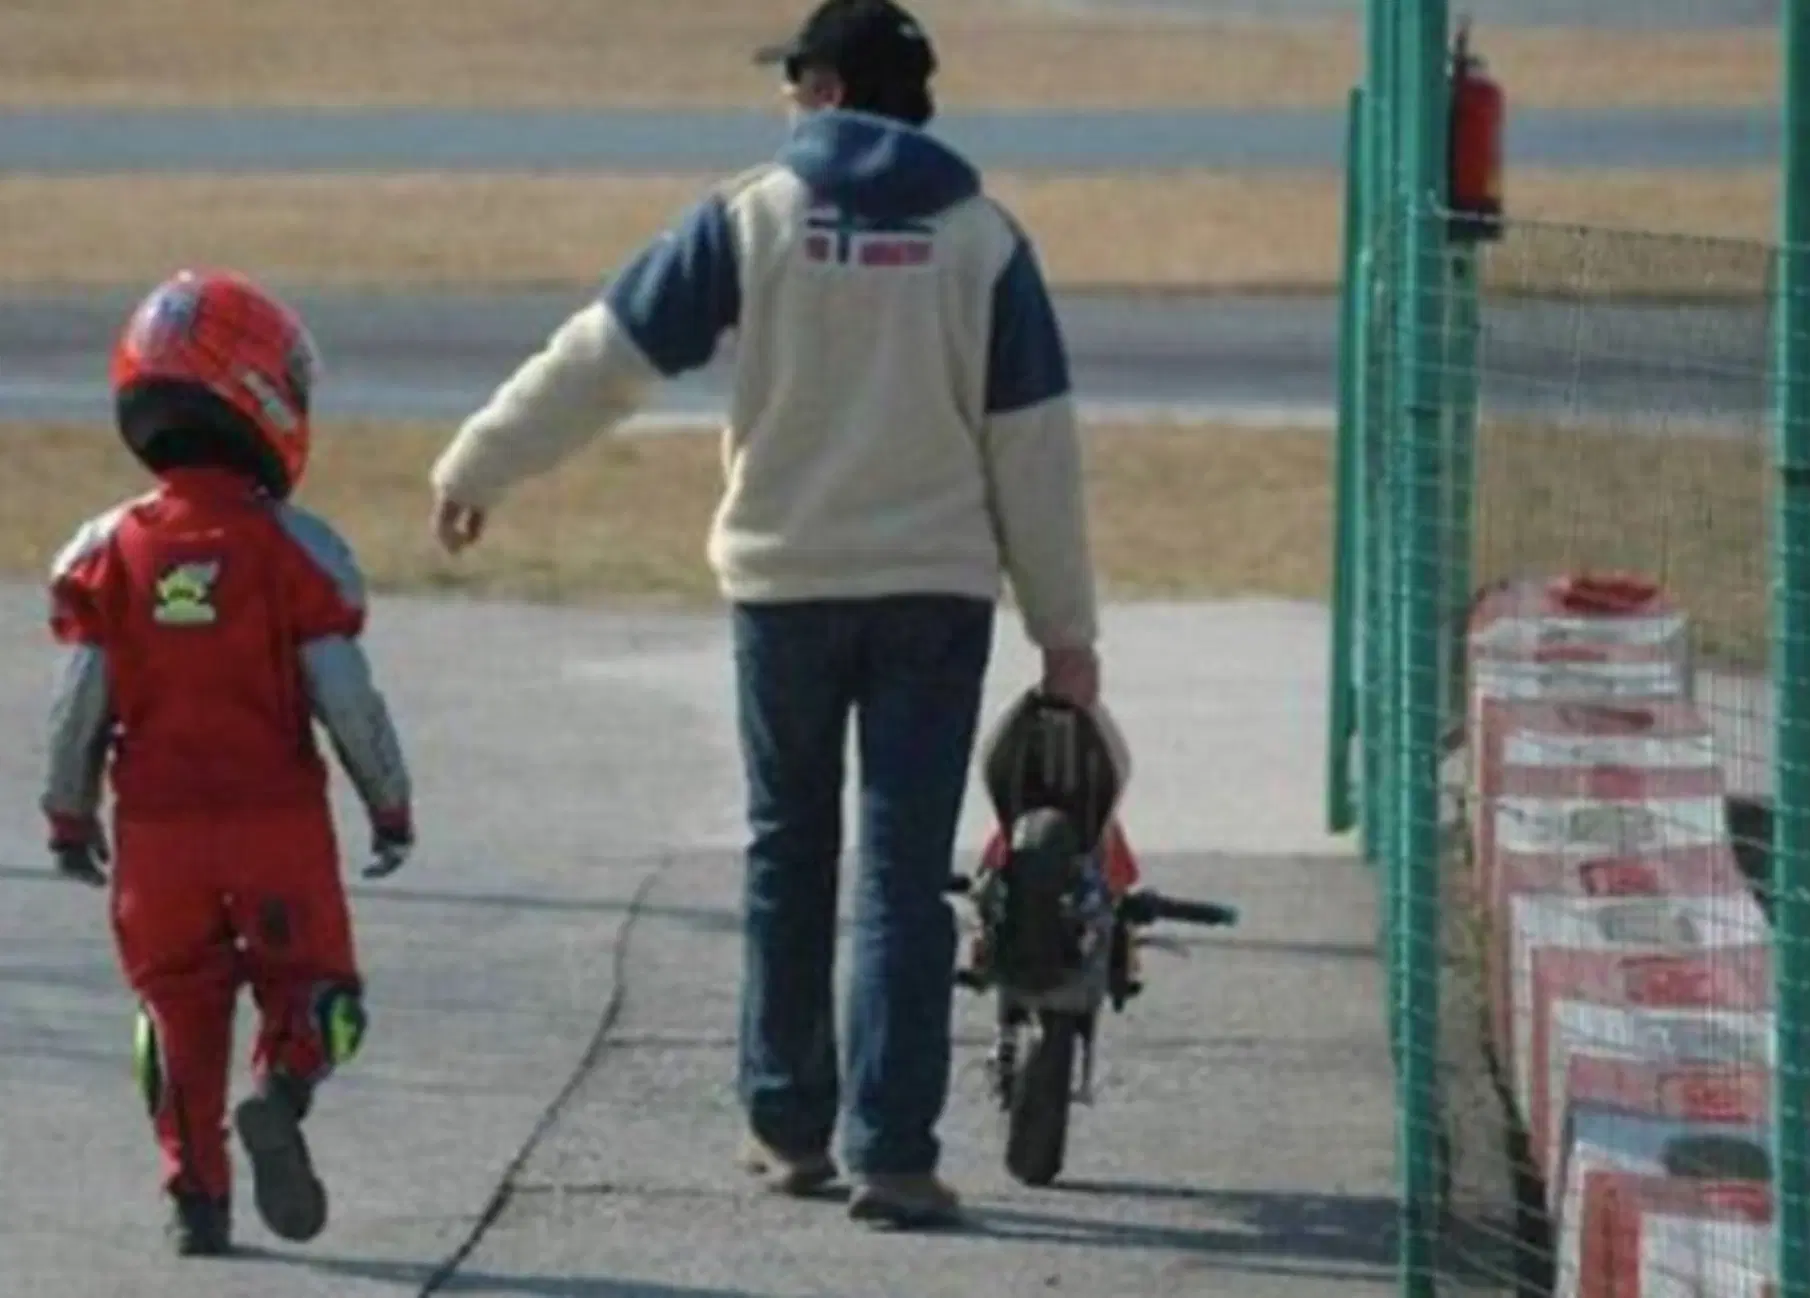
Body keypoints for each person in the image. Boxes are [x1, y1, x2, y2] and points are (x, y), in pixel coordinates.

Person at [424, 0, 1100, 1230]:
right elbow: (1034, 446)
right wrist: (1067, 634)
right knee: (902, 870)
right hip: (933, 599)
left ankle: (788, 1126)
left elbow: (605, 353)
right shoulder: (983, 238)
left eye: (794, 85)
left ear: (830, 93)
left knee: (789, 850)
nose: (783, 106)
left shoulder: (752, 215)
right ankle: (892, 1150)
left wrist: (477, 463)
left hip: (782, 593)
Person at [40, 268, 415, 1256]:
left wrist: (67, 814)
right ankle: (282, 1086)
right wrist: (391, 802)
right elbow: (346, 693)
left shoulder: (105, 549)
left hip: (156, 833)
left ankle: (195, 1199)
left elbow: (79, 703)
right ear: (255, 391)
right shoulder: (296, 547)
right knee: (321, 990)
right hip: (275, 824)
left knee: (174, 1007)